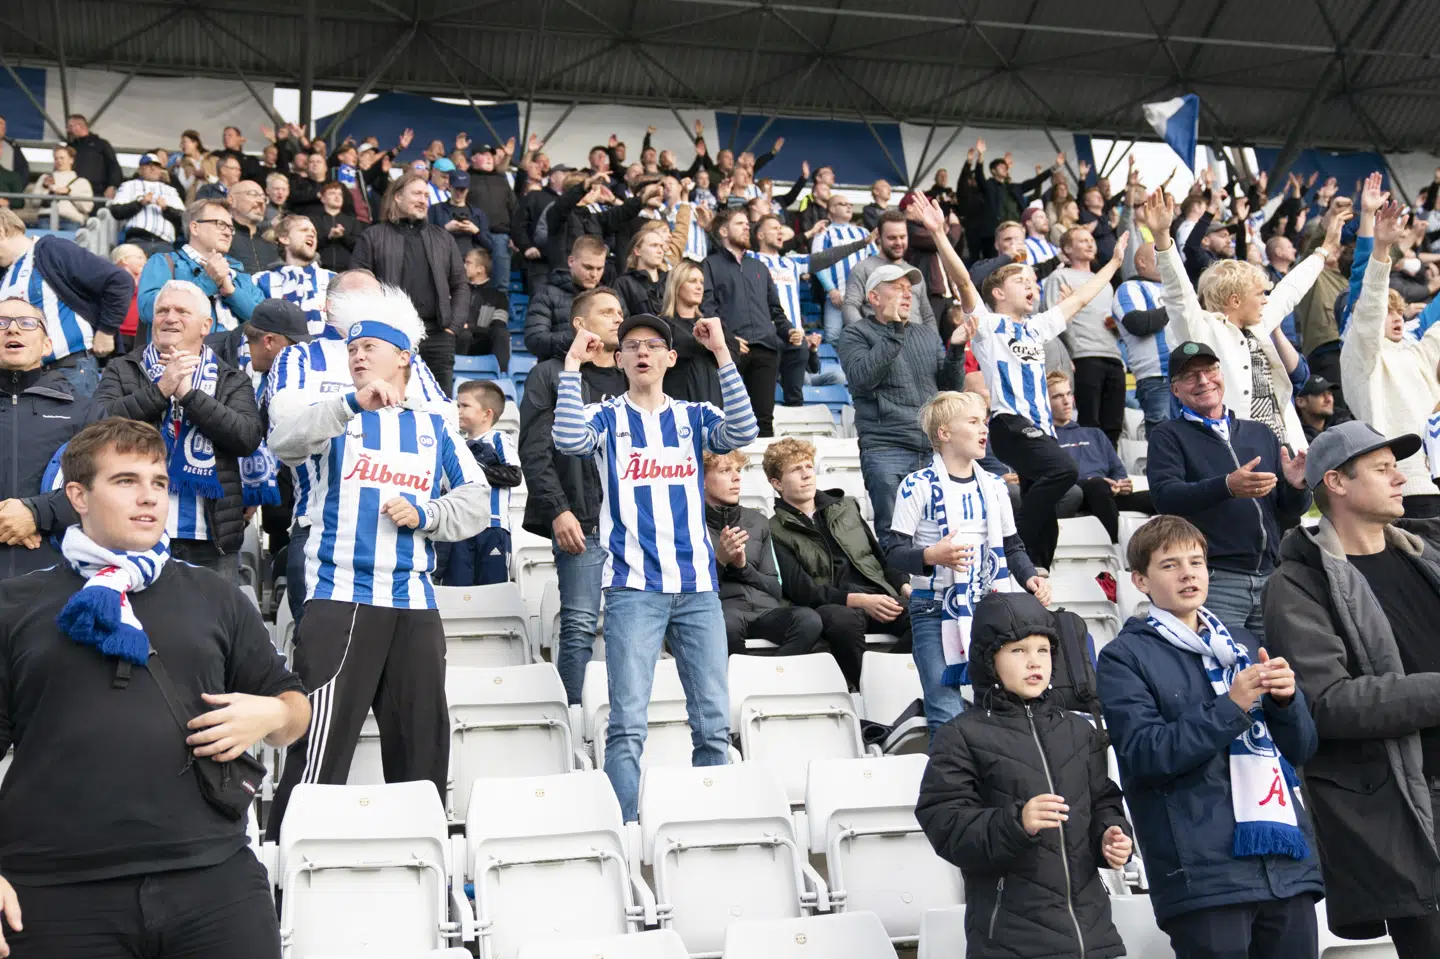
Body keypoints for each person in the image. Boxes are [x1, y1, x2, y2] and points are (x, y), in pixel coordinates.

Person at [0, 418, 308, 958]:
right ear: (78, 495)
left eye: (159, 483)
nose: (149, 498)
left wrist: (269, 717)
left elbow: (293, 707)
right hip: (55, 889)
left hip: (213, 882)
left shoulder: (216, 595)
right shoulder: (14, 605)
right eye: (125, 482)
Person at [264, 287, 489, 839]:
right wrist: (348, 403)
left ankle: (422, 860)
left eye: (369, 347)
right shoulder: (331, 415)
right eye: (352, 349)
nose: (358, 356)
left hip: (413, 602)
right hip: (340, 596)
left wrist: (429, 513)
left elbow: (477, 501)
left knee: (422, 749)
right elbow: (282, 442)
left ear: (404, 358)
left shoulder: (435, 426)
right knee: (319, 748)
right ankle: (286, 868)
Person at [552, 311, 757, 822]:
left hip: (696, 587)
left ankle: (713, 821)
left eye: (653, 345)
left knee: (711, 721)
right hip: (632, 588)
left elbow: (744, 430)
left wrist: (723, 354)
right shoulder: (606, 416)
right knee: (627, 723)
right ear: (618, 359)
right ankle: (627, 828)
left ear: (670, 357)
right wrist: (573, 364)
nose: (642, 352)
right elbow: (567, 440)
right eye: (632, 345)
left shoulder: (692, 415)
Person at [1098, 515, 1323, 959]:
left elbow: (1300, 750)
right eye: (1170, 565)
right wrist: (1231, 706)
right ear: (1140, 580)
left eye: (1197, 562)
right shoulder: (1123, 656)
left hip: (1284, 865)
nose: (1188, 574)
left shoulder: (1240, 642)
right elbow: (1145, 755)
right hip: (1204, 875)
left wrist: (1286, 702)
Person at [1262, 421, 1440, 954]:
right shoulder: (1297, 582)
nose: (1400, 480)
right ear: (1336, 483)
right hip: (1406, 814)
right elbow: (1327, 705)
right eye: (1383, 470)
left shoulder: (1426, 556)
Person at [918, 590, 1132, 959]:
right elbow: (945, 823)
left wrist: (1111, 835)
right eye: (1018, 651)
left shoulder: (1080, 731)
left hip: (1094, 937)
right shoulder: (961, 734)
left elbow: (1102, 801)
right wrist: (1016, 821)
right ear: (989, 660)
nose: (1034, 662)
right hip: (1010, 941)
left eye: (1043, 650)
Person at [926, 190, 1131, 571]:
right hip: (1010, 425)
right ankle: (1011, 538)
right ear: (1000, 292)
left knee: (1048, 525)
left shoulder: (1037, 327)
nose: (1032, 286)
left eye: (1034, 282)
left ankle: (1034, 576)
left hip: (1041, 431)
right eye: (1023, 281)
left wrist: (1114, 263)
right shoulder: (988, 324)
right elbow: (962, 280)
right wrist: (939, 234)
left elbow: (1082, 298)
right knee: (1066, 472)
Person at [266, 270, 453, 626]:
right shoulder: (301, 357)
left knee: (397, 665)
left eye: (378, 299)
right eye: (360, 299)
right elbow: (287, 421)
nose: (372, 309)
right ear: (329, 306)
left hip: (402, 527)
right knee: (325, 659)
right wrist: (356, 403)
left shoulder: (408, 358)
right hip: (320, 524)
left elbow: (445, 421)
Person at [885, 391, 1049, 733]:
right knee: (945, 711)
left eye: (984, 421)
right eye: (973, 421)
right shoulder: (917, 485)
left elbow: (1012, 546)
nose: (984, 428)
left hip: (990, 605)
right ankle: (951, 785)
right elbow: (893, 551)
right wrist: (931, 556)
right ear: (944, 434)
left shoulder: (994, 486)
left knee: (997, 704)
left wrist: (1030, 578)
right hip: (932, 607)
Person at [1140, 189, 1347, 451]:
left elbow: (1291, 289)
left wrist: (1325, 249)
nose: (1265, 300)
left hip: (1286, 451)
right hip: (1239, 453)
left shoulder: (1257, 324)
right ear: (1235, 301)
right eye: (1260, 294)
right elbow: (1178, 294)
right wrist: (1161, 237)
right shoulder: (1202, 330)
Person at [93, 280, 264, 581]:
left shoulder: (231, 379)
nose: (170, 317)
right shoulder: (122, 369)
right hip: (134, 535)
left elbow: (247, 437)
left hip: (211, 541)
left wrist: (190, 397)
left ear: (205, 325)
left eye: (182, 311)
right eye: (162, 311)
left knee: (211, 627)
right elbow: (96, 429)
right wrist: (160, 391)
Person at [1147, 341, 1310, 638]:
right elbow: (1165, 497)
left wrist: (1298, 487)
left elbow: (1288, 512)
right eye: (1190, 376)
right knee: (1227, 674)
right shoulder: (1167, 435)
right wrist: (1226, 487)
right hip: (1216, 580)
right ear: (1175, 390)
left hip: (1271, 576)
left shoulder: (1260, 432)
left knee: (1277, 671)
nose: (1203, 380)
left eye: (1209, 370)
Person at [517, 287, 627, 704]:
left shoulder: (632, 375)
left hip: (633, 525)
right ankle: (575, 713)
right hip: (583, 520)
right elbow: (535, 451)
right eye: (606, 311)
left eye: (620, 311)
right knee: (580, 623)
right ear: (580, 324)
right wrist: (560, 512)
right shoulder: (550, 374)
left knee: (633, 623)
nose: (618, 318)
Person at [837, 257, 970, 550]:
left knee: (942, 532)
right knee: (896, 536)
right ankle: (902, 593)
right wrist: (895, 332)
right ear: (874, 298)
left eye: (909, 289)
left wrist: (956, 350)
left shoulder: (925, 333)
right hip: (887, 448)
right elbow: (862, 379)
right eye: (897, 288)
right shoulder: (855, 334)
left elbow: (949, 389)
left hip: (933, 448)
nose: (907, 294)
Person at [766, 437, 906, 688]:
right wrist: (859, 600)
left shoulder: (846, 506)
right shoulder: (774, 529)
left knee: (927, 615)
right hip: (834, 603)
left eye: (808, 467)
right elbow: (802, 590)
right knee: (843, 622)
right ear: (777, 483)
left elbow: (880, 557)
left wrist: (903, 586)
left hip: (877, 593)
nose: (806, 475)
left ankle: (887, 682)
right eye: (796, 470)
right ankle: (871, 691)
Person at [1340, 192, 1440, 519]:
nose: (1396, 317)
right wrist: (1381, 249)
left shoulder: (1415, 354)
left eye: (1400, 312)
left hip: (1435, 481)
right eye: (1388, 312)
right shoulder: (1362, 359)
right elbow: (1368, 304)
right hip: (1405, 491)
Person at [0, 297, 102, 580]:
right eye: (1, 323)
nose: (13, 330)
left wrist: (36, 514)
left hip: (56, 579)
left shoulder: (85, 412)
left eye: (27, 323)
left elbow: (106, 486)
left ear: (47, 346)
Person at [703, 449, 830, 661]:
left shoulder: (757, 521)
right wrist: (720, 561)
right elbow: (687, 589)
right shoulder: (687, 523)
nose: (737, 477)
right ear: (702, 480)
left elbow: (774, 587)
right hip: (725, 611)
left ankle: (767, 677)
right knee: (724, 624)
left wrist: (742, 568)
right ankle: (741, 684)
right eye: (725, 471)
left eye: (738, 470)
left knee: (809, 619)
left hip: (765, 610)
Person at [351, 173, 470, 396]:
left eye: (426, 195)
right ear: (397, 197)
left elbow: (461, 284)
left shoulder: (443, 237)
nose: (423, 200)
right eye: (416, 193)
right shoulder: (372, 236)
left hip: (437, 336)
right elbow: (355, 285)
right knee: (388, 403)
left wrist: (452, 327)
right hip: (390, 336)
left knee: (438, 405)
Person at [0, 206, 129, 399]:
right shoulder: (6, 273)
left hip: (69, 371)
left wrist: (107, 330)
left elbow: (120, 280)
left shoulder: (52, 250)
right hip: (25, 377)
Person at [701, 207, 798, 437]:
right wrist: (727, 339)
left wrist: (788, 331)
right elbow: (707, 307)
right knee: (725, 415)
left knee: (764, 419)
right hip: (731, 352)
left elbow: (775, 309)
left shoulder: (759, 267)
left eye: (748, 224)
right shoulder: (710, 264)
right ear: (724, 231)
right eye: (740, 224)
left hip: (766, 348)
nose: (747, 227)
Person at [1045, 227, 1128, 446]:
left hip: (1113, 355)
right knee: (1089, 421)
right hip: (1083, 356)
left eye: (1091, 239)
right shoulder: (1059, 276)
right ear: (1068, 249)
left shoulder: (1105, 282)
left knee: (1114, 423)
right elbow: (1054, 321)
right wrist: (1067, 356)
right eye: (1082, 241)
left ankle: (1111, 471)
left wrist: (1117, 324)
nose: (1090, 244)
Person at [137, 199, 265, 342]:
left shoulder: (240, 274)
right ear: (195, 227)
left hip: (236, 361)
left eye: (230, 228)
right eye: (220, 224)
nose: (228, 233)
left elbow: (264, 323)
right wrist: (208, 281)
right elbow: (148, 311)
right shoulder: (164, 262)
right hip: (181, 360)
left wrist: (231, 292)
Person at [1048, 371, 1154, 542]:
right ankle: (1118, 545)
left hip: (1107, 495)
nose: (1066, 401)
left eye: (1068, 394)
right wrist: (1093, 483)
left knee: (1158, 496)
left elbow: (1118, 471)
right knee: (1097, 484)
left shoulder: (1094, 434)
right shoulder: (1045, 439)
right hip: (1075, 497)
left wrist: (1121, 484)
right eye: (1057, 397)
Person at [444, 379, 520, 587]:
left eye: (465, 406)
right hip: (459, 527)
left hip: (492, 526)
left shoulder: (498, 439)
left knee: (493, 588)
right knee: (457, 588)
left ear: (487, 414)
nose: (458, 410)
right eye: (457, 405)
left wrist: (473, 468)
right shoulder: (453, 443)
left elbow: (514, 476)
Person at [1113, 241, 1174, 433]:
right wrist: (1176, 306)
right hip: (1157, 377)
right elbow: (1138, 324)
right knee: (1164, 444)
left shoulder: (1174, 289)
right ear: (1142, 262)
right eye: (1159, 257)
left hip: (1188, 375)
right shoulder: (1129, 288)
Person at [842, 209, 937, 331]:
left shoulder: (914, 273)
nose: (898, 242)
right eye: (892, 238)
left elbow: (927, 314)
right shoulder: (863, 268)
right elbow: (850, 306)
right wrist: (867, 337)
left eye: (902, 237)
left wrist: (932, 343)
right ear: (879, 237)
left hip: (917, 345)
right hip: (882, 345)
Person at [525, 234, 609, 361]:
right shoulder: (546, 294)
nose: (594, 274)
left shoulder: (610, 298)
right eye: (588, 267)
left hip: (601, 374)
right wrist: (580, 338)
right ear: (571, 261)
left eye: (600, 268)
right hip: (558, 369)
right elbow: (534, 339)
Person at [255, 214, 334, 337]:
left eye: (314, 232)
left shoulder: (334, 279)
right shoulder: (261, 280)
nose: (311, 234)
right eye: (304, 230)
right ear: (284, 238)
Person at [810, 196, 873, 343]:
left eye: (850, 204)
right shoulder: (823, 233)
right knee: (833, 337)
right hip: (837, 298)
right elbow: (817, 262)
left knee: (866, 338)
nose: (849, 206)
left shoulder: (862, 232)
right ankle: (839, 367)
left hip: (864, 297)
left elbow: (875, 259)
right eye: (843, 204)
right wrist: (831, 290)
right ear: (832, 209)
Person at [109, 153, 186, 255]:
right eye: (148, 165)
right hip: (137, 240)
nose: (153, 168)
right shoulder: (129, 185)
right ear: (140, 169)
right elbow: (116, 211)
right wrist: (139, 203)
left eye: (156, 166)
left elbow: (183, 218)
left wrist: (167, 209)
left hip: (164, 243)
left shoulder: (171, 190)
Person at [467, 144, 520, 292]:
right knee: (471, 282)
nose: (489, 158)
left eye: (491, 155)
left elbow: (514, 209)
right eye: (484, 154)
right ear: (473, 158)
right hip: (474, 237)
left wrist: (515, 236)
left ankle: (498, 316)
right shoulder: (466, 178)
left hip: (500, 238)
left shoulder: (502, 180)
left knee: (501, 286)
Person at [458, 247, 511, 371]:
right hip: (459, 340)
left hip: (483, 344)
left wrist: (470, 327)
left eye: (468, 263)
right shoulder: (458, 291)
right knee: (463, 335)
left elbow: (498, 326)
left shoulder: (499, 296)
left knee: (502, 334)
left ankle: (501, 376)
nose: (463, 266)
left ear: (480, 269)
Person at [427, 169, 494, 257]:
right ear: (450, 187)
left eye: (462, 189)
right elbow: (426, 241)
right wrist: (445, 229)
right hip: (444, 259)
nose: (458, 193)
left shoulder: (478, 214)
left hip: (470, 263)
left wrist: (476, 231)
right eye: (456, 188)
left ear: (467, 189)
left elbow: (490, 246)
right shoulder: (435, 210)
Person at [26, 144, 94, 229]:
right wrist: (45, 189)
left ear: (71, 160)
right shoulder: (45, 178)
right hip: (46, 219)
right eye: (56, 158)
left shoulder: (82, 182)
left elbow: (87, 207)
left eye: (62, 158)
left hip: (71, 221)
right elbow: (34, 202)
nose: (59, 161)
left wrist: (69, 192)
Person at [65, 113, 123, 198]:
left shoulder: (101, 144)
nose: (67, 130)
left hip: (97, 192)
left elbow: (113, 165)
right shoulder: (70, 147)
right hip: (73, 191)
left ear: (79, 126)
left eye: (70, 126)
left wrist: (112, 185)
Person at [226, 181, 278, 274]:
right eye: (253, 194)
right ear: (231, 200)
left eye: (264, 198)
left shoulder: (270, 241)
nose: (261, 201)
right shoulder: (222, 236)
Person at [308, 180, 361, 272]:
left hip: (346, 271)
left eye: (340, 194)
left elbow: (360, 247)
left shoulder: (353, 221)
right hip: (320, 270)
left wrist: (343, 236)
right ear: (323, 199)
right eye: (332, 193)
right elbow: (309, 245)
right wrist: (328, 237)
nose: (337, 197)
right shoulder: (313, 221)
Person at [1293, 375, 1348, 443]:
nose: (1329, 399)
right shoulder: (1295, 436)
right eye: (1320, 394)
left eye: (1330, 393)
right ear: (1301, 402)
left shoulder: (1344, 423)